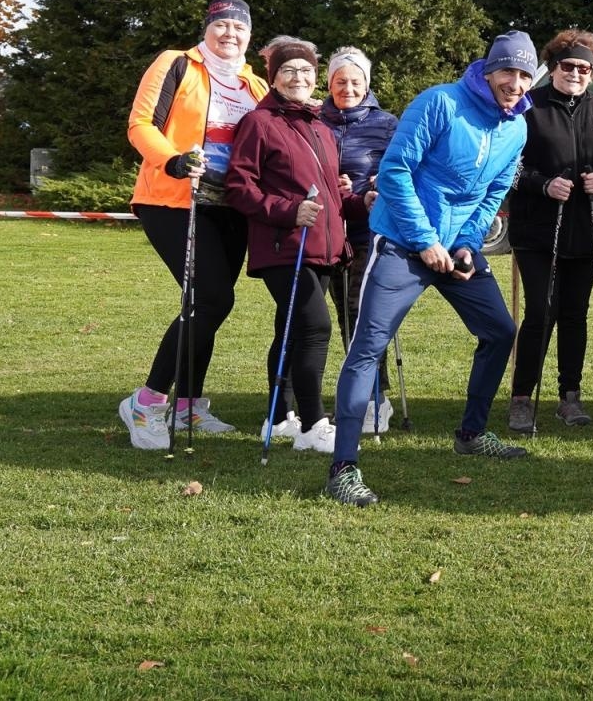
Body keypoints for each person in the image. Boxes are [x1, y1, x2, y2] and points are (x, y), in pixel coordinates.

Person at [324, 31, 538, 507]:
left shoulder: (517, 127)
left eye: (525, 75)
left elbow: (491, 194)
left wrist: (463, 244)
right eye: (509, 72)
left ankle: (471, 434)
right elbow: (396, 171)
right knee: (367, 349)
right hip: (402, 242)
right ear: (488, 70)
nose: (516, 83)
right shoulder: (440, 102)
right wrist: (425, 242)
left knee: (500, 331)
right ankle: (343, 467)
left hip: (454, 250)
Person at [119, 0, 269, 450]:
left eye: (238, 27)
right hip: (173, 199)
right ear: (206, 28)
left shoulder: (255, 85)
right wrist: (173, 160)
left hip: (230, 207)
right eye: (221, 25)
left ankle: (188, 406)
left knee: (210, 303)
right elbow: (141, 124)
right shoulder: (176, 64)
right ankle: (145, 403)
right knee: (210, 297)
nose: (229, 34)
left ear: (249, 35)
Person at [226, 41, 361, 453]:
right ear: (274, 77)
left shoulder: (320, 126)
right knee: (315, 328)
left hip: (323, 248)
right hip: (285, 246)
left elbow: (327, 194)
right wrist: (287, 211)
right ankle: (312, 423)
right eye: (289, 70)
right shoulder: (259, 122)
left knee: (291, 330)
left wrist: (356, 201)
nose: (298, 77)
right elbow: (239, 186)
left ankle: (278, 415)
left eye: (305, 70)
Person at [505, 29, 593, 432]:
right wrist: (542, 184)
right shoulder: (529, 106)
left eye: (584, 67)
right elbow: (508, 167)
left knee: (575, 314)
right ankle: (522, 398)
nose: (576, 73)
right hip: (536, 229)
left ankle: (570, 397)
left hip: (587, 227)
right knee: (542, 311)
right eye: (567, 66)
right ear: (553, 67)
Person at [320, 46, 399, 433]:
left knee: (365, 316)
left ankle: (375, 399)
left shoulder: (385, 123)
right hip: (328, 231)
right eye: (340, 81)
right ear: (329, 84)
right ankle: (357, 393)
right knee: (342, 314)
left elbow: (401, 168)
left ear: (367, 84)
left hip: (371, 232)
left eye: (355, 81)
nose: (347, 88)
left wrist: (374, 183)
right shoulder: (315, 119)